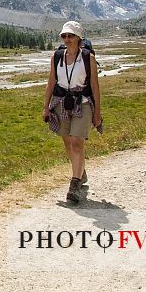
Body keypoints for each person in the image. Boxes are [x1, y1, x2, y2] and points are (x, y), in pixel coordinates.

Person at [42, 21, 102, 204]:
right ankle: (80, 171)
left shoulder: (87, 58)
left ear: (78, 38)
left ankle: (74, 184)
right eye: (64, 36)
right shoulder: (57, 57)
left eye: (71, 36)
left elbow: (94, 85)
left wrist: (97, 112)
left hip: (82, 102)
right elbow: (51, 82)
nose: (67, 39)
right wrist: (46, 107)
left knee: (77, 141)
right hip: (61, 102)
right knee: (68, 142)